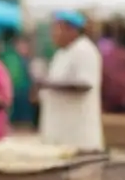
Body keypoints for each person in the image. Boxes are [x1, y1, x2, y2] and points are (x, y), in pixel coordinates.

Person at [37, 11, 103, 151]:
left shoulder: (84, 50)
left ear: (70, 30)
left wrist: (49, 85)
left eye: (56, 29)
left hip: (79, 137)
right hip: (60, 134)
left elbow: (85, 85)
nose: (53, 34)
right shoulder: (61, 53)